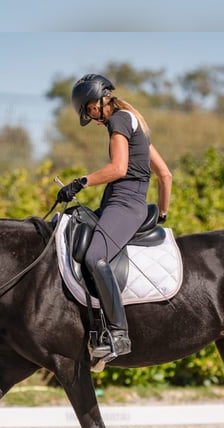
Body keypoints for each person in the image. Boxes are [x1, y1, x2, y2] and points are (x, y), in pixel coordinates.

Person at [56, 73, 172, 361]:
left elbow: (118, 169)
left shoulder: (119, 120)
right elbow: (165, 174)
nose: (92, 118)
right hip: (126, 205)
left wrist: (80, 182)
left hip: (124, 206)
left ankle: (118, 334)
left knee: (95, 257)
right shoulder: (137, 124)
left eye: (89, 111)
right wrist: (163, 212)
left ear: (97, 102)